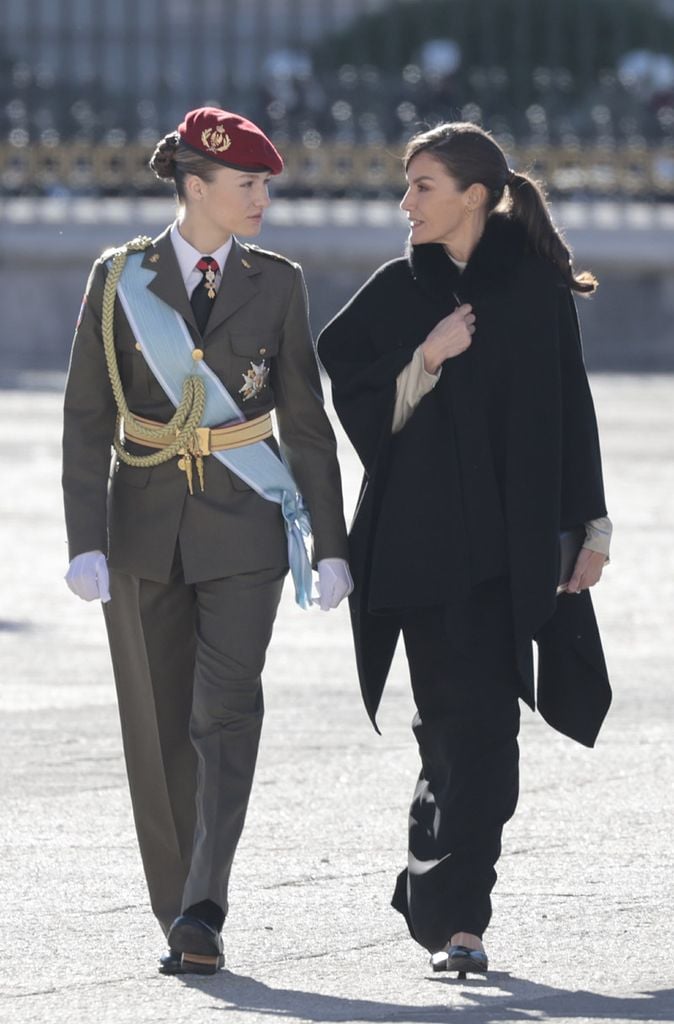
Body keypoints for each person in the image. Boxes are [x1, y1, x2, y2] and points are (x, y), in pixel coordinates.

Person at [62, 106, 352, 975]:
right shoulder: (119, 279)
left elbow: (305, 418)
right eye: (247, 184)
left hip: (245, 531)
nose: (262, 198)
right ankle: (176, 899)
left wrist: (330, 542)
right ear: (196, 188)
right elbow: (86, 416)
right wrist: (85, 539)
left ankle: (203, 905)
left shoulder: (279, 281)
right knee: (156, 730)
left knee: (224, 716)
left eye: (265, 184)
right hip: (143, 531)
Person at [317, 122, 612, 977]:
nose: (405, 203)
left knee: (485, 732)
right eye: (406, 186)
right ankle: (455, 915)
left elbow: (571, 409)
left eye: (423, 186)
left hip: (511, 551)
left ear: (474, 195)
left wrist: (590, 530)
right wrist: (427, 357)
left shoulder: (534, 287)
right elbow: (357, 390)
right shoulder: (395, 290)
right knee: (456, 726)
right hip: (419, 550)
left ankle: (444, 896)